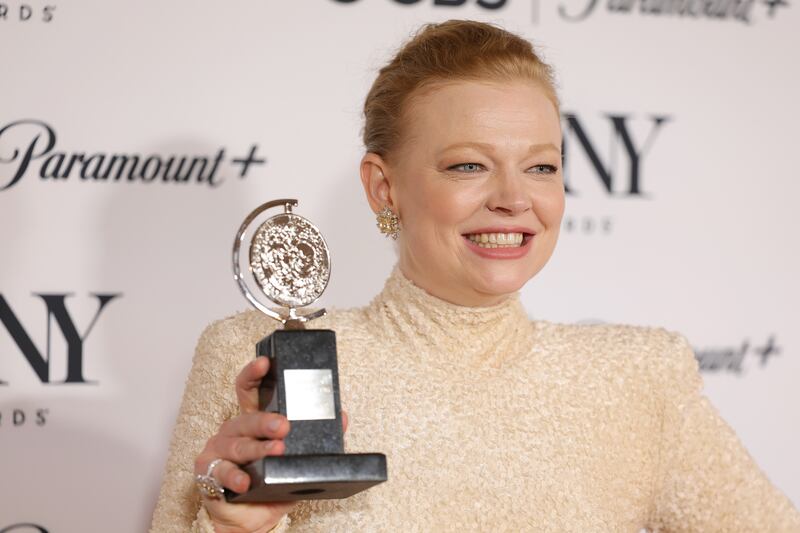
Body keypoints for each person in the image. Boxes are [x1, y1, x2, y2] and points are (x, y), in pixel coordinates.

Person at [150, 20, 800, 532]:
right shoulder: (256, 359)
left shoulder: (639, 378)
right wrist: (233, 526)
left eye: (542, 167)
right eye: (468, 166)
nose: (515, 198)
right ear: (383, 187)